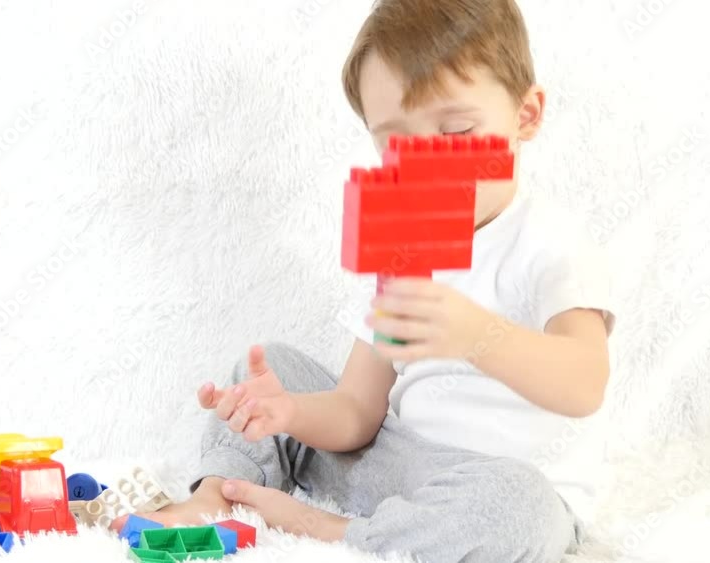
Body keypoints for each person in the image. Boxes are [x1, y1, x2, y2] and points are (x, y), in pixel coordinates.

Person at [113, 0, 615, 561]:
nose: (427, 163)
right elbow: (357, 410)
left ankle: (328, 529)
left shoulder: (553, 243)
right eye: (398, 143)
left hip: (505, 489)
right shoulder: (408, 244)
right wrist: (290, 413)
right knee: (270, 368)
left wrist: (477, 333)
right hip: (401, 466)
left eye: (455, 131)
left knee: (520, 508)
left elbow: (584, 385)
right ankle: (216, 497)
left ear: (526, 115)